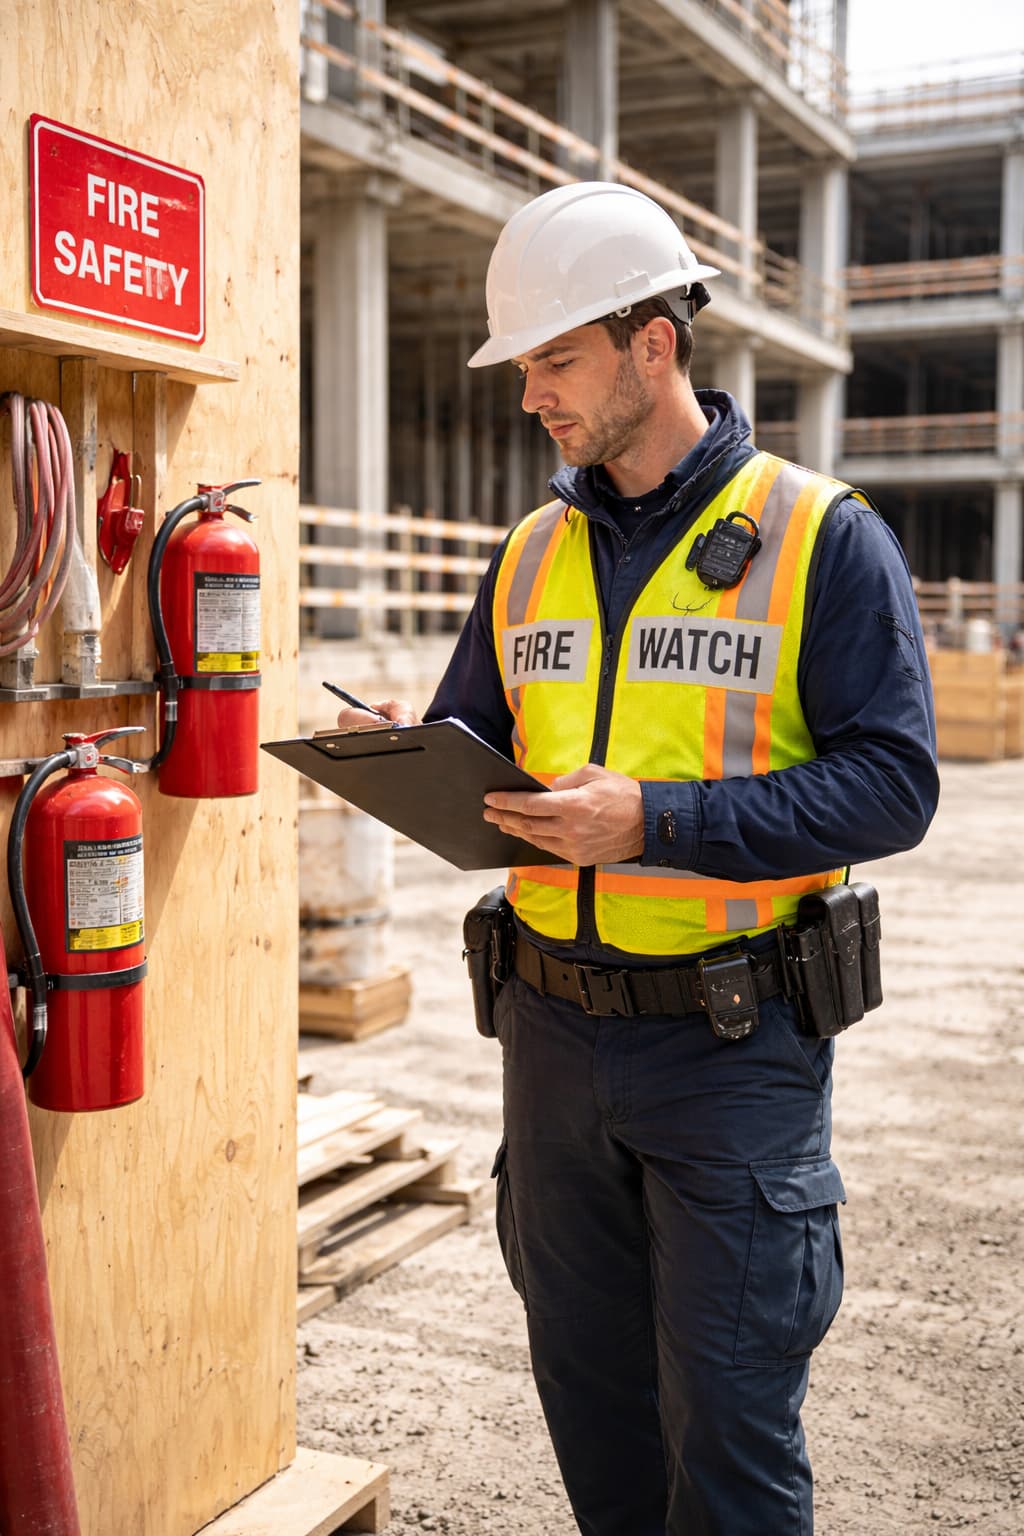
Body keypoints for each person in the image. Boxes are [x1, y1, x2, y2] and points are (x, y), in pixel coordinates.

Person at [335, 182, 939, 1536]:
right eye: (526, 365)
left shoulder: (821, 537)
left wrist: (655, 823)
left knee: (726, 1442)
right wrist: (400, 755)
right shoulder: (533, 553)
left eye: (555, 359)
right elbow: (473, 741)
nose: (533, 394)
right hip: (549, 1044)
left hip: (734, 1054)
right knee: (595, 1418)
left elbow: (895, 786)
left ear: (652, 343)